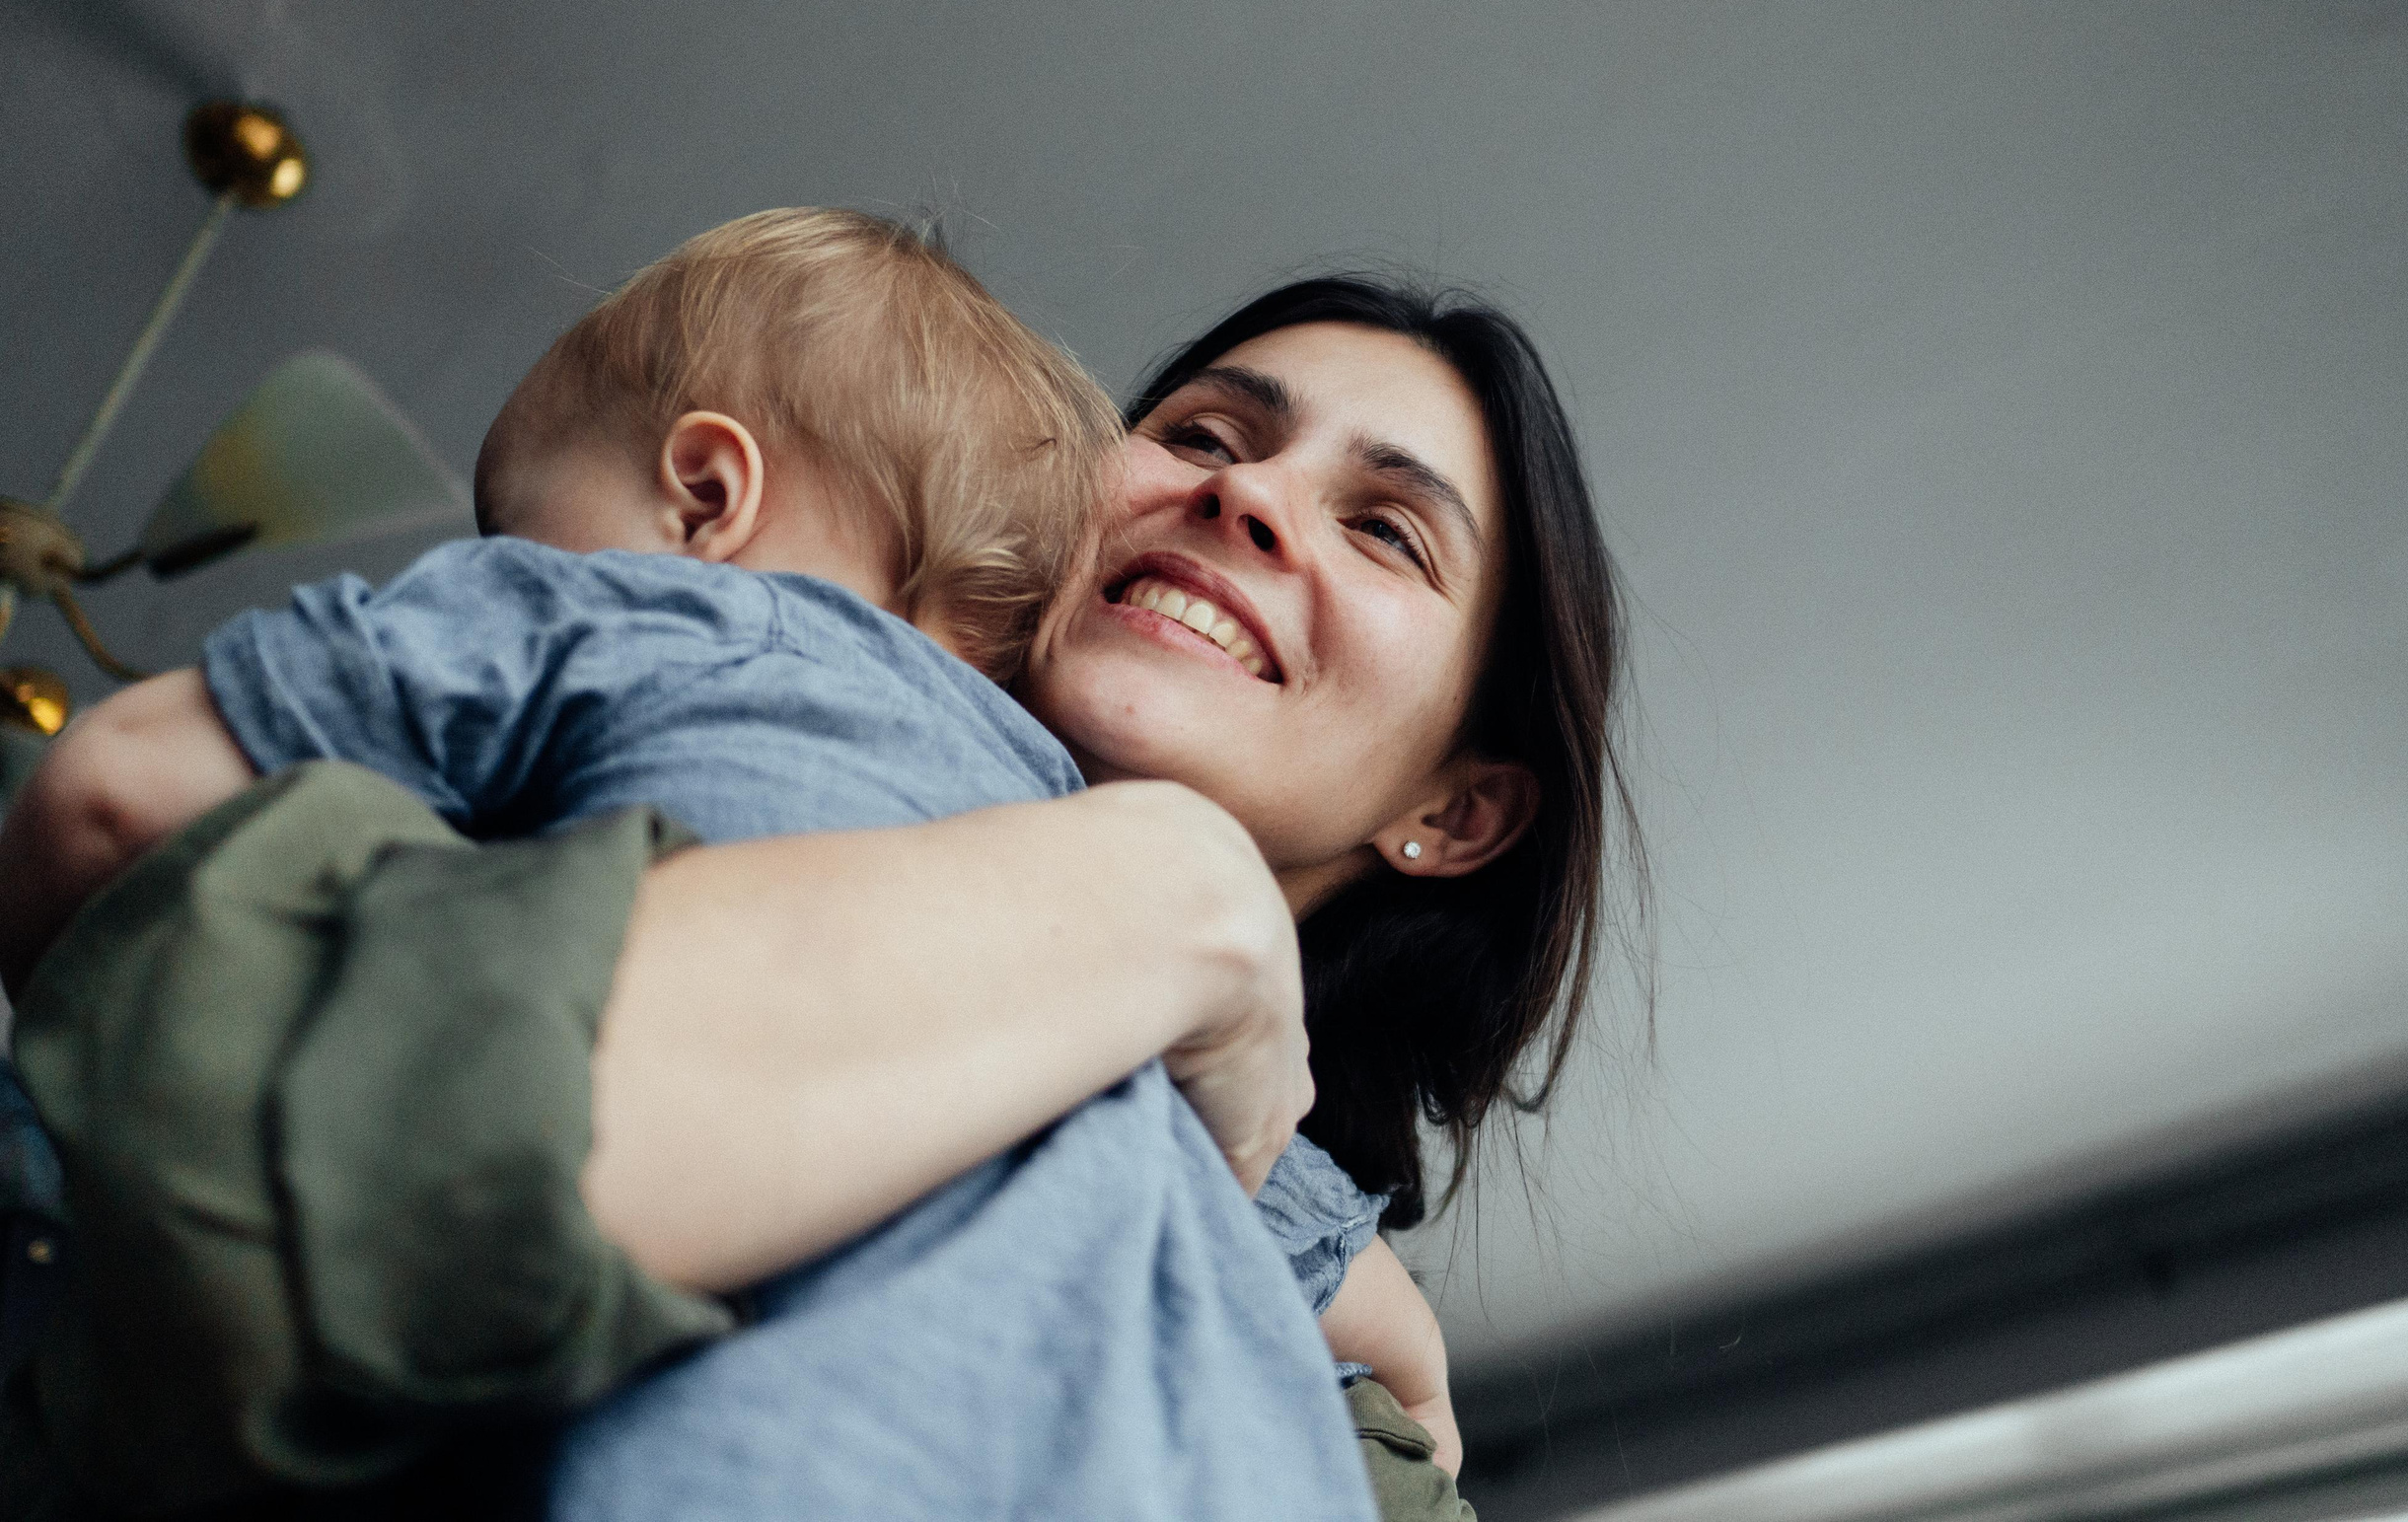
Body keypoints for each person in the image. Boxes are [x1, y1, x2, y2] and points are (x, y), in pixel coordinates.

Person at [5, 269, 1630, 1520]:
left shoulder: (1340, 1409)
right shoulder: (594, 714)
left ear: (1454, 810)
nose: (1246, 494)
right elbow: (357, 1195)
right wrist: (1173, 890)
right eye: (1202, 433)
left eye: (1389, 530)